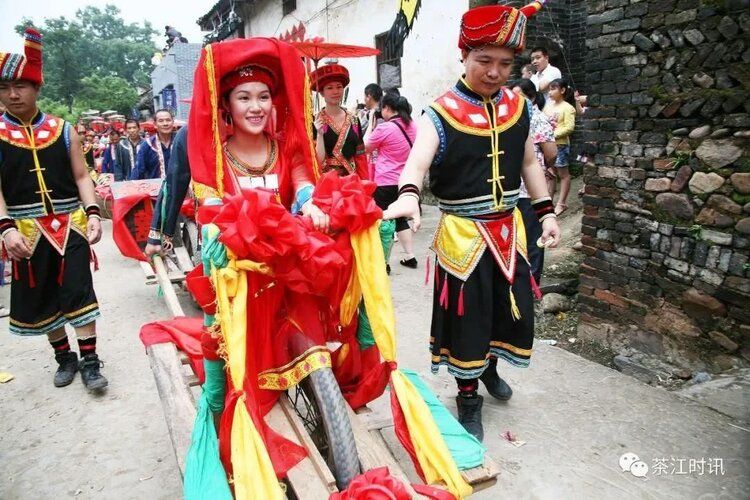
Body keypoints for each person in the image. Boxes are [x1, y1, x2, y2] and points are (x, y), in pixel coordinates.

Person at [384, 2, 561, 441]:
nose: (495, 72)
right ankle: (467, 396)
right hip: (464, 235)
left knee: (507, 310)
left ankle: (489, 369)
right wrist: (409, 196)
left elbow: (529, 162)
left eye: (505, 63)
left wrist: (546, 213)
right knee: (468, 320)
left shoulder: (519, 107)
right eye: (484, 60)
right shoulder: (440, 112)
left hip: (510, 231)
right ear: (463, 56)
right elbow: (416, 162)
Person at [145, 40, 328, 257]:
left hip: (287, 256)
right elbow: (210, 204)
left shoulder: (287, 150)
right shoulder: (213, 159)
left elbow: (303, 184)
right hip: (234, 261)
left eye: (263, 97)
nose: (256, 107)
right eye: (244, 98)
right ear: (226, 103)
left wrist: (311, 205)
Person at [0, 27, 107, 391]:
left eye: (20, 86)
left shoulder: (63, 130)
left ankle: (90, 361)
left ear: (36, 88)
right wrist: (5, 228)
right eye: (4, 88)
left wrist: (93, 213)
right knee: (42, 295)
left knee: (79, 289)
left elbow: (81, 176)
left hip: (70, 223)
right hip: (24, 230)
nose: (13, 95)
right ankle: (65, 358)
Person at [365, 92, 418, 270]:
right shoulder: (413, 126)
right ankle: (410, 256)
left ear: (387, 108)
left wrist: (371, 124)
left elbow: (364, 147)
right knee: (401, 218)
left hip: (385, 182)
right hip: (406, 182)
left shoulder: (385, 128)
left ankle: (383, 262)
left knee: (383, 220)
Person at [512, 78, 557, 284]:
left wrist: (543, 169)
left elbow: (551, 153)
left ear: (531, 98)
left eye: (519, 96)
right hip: (513, 191)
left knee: (533, 239)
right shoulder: (513, 118)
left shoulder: (537, 119)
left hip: (531, 191)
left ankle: (532, 284)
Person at [311, 63, 368, 179]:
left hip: (352, 182)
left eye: (339, 87)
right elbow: (317, 160)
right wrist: (320, 134)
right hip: (327, 182)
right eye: (330, 88)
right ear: (321, 92)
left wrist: (365, 182)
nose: (335, 91)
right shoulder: (315, 122)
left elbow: (360, 156)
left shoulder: (354, 120)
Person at [544, 78, 576, 215]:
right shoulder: (547, 106)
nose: (550, 92)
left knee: (563, 174)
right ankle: (547, 202)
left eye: (553, 89)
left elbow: (569, 128)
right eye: (549, 89)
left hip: (560, 145)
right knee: (550, 174)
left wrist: (551, 135)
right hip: (547, 144)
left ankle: (561, 203)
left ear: (562, 90)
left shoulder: (568, 108)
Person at [130, 108, 174, 180]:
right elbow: (139, 171)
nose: (165, 124)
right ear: (155, 124)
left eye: (168, 120)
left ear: (173, 122)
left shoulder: (181, 141)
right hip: (156, 186)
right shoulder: (148, 145)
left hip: (181, 186)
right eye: (161, 121)